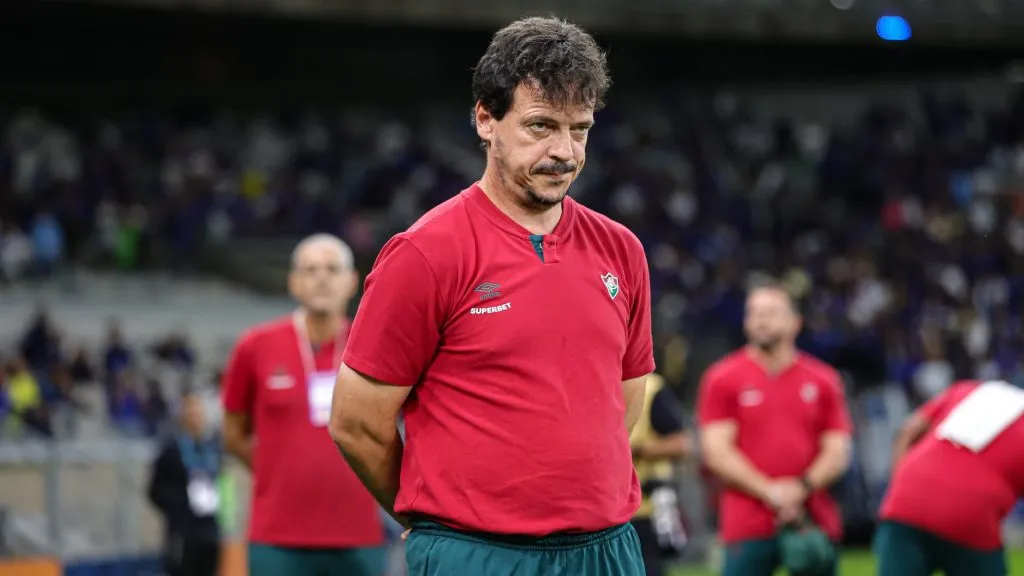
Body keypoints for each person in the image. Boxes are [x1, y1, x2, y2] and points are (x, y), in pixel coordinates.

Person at [329, 16, 654, 576]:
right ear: (485, 118)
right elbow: (357, 423)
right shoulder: (425, 254)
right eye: (540, 126)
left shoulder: (621, 250)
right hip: (476, 553)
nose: (564, 151)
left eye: (579, 129)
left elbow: (623, 399)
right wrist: (432, 518)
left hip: (607, 550)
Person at [221, 234, 385, 576]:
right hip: (277, 537)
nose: (321, 277)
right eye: (310, 270)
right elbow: (234, 434)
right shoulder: (255, 346)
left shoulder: (377, 346)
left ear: (352, 281)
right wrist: (275, 472)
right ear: (294, 282)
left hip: (358, 535)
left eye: (331, 268)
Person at [696, 282, 853, 576]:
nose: (760, 320)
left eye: (770, 313)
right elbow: (716, 452)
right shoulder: (722, 378)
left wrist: (801, 488)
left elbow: (838, 450)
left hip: (812, 517)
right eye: (753, 313)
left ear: (795, 323)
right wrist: (771, 492)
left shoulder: (824, 379)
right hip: (747, 522)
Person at [875, 379, 1024, 576]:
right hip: (972, 513)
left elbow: (908, 430)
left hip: (905, 501)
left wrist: (899, 484)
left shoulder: (971, 389)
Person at [148, 388, 223, 576]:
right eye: (191, 411)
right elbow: (154, 490)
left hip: (209, 529)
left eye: (199, 412)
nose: (196, 417)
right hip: (183, 532)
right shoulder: (172, 450)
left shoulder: (211, 449)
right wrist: (178, 509)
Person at [629, 372, 693, 576]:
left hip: (643, 511)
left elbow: (681, 444)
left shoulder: (650, 387)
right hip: (597, 512)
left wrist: (637, 450)